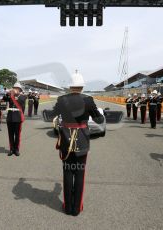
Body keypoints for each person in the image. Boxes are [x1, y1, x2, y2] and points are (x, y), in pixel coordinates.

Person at [53, 70, 104, 216]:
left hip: (66, 139)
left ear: (70, 87)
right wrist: (100, 114)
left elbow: (53, 114)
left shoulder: (62, 99)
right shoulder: (88, 100)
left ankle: (68, 207)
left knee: (68, 172)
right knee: (80, 173)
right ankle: (76, 208)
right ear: (82, 87)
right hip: (81, 140)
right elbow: (99, 120)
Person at [3, 82, 27, 156]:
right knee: (10, 134)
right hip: (10, 118)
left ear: (19, 90)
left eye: (16, 88)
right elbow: (4, 99)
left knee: (17, 135)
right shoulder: (10, 96)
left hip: (18, 118)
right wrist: (8, 93)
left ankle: (16, 149)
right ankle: (11, 149)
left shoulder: (22, 96)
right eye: (14, 88)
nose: (15, 90)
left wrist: (15, 95)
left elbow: (21, 101)